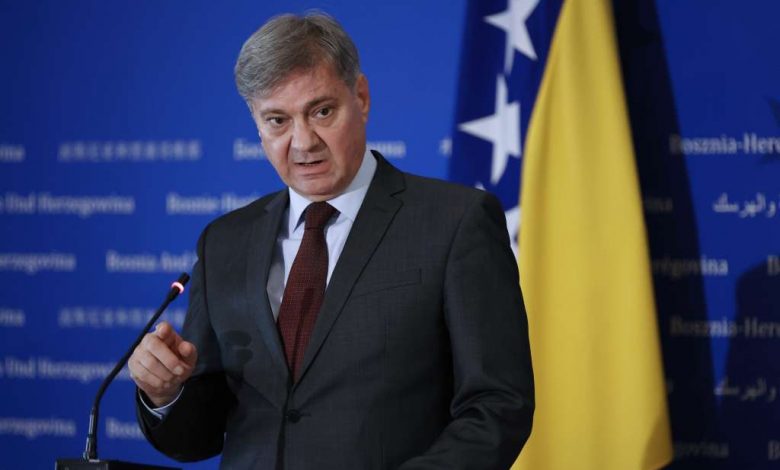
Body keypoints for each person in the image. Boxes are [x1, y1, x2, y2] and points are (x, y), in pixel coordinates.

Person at [128, 11, 534, 470]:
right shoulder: (223, 242)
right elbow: (198, 438)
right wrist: (166, 393)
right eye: (277, 120)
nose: (303, 142)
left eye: (321, 111)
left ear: (361, 97)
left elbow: (498, 405)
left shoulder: (454, 222)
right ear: (257, 125)